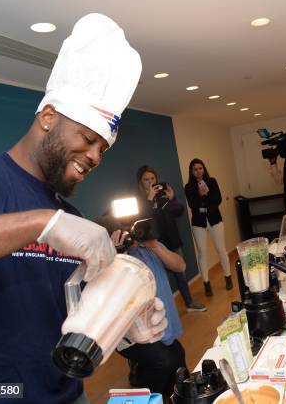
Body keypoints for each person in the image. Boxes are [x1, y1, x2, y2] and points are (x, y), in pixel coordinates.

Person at [0, 14, 167, 404]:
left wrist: (126, 323)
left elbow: (77, 314)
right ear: (48, 117)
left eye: (103, 148)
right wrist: (39, 224)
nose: (95, 156)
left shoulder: (72, 218)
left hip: (68, 394)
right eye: (87, 139)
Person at [108, 227, 187, 399]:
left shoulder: (151, 247)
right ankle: (140, 399)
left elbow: (180, 265)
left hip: (158, 327)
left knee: (178, 360)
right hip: (129, 334)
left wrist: (155, 246)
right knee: (164, 361)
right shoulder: (111, 256)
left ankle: (146, 377)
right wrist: (114, 252)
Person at [137, 165, 207, 312]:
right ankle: (164, 310)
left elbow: (179, 211)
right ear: (140, 182)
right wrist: (149, 200)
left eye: (152, 178)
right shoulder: (139, 201)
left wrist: (173, 198)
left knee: (180, 273)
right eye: (146, 179)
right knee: (160, 278)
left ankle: (189, 303)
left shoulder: (163, 195)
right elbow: (143, 219)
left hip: (172, 238)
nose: (150, 182)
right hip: (155, 244)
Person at [184, 158, 232, 297]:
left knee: (221, 249)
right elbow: (193, 205)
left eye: (200, 168)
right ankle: (206, 283)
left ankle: (228, 277)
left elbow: (218, 200)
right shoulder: (189, 187)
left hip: (215, 220)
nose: (198, 171)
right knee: (202, 253)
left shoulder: (212, 181)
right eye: (195, 169)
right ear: (191, 172)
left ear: (203, 169)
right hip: (198, 223)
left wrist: (207, 194)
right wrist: (199, 195)